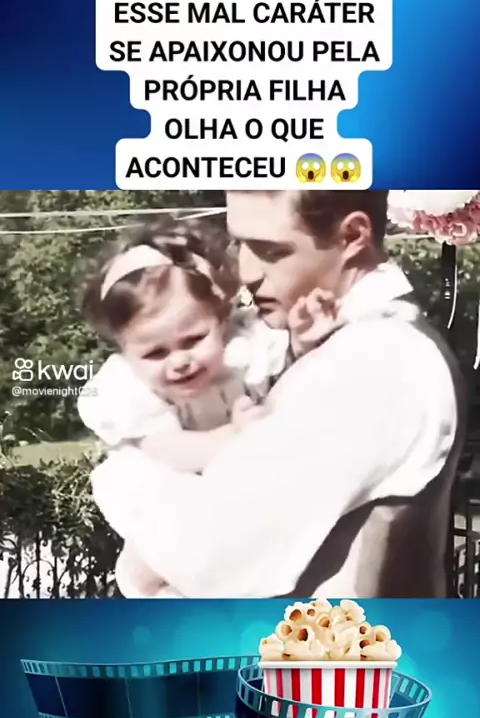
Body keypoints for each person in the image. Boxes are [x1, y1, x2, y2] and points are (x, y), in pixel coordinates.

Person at [91, 190, 466, 598]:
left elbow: (210, 556)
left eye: (270, 250)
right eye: (240, 244)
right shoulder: (349, 342)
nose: (246, 272)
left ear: (352, 236)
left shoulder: (376, 358)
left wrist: (120, 477)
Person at [78, 217, 290, 595]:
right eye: (154, 353)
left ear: (221, 320)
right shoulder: (131, 390)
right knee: (151, 566)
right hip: (171, 480)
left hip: (233, 485)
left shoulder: (246, 348)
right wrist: (234, 435)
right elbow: (171, 452)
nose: (179, 361)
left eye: (194, 339)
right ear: (124, 349)